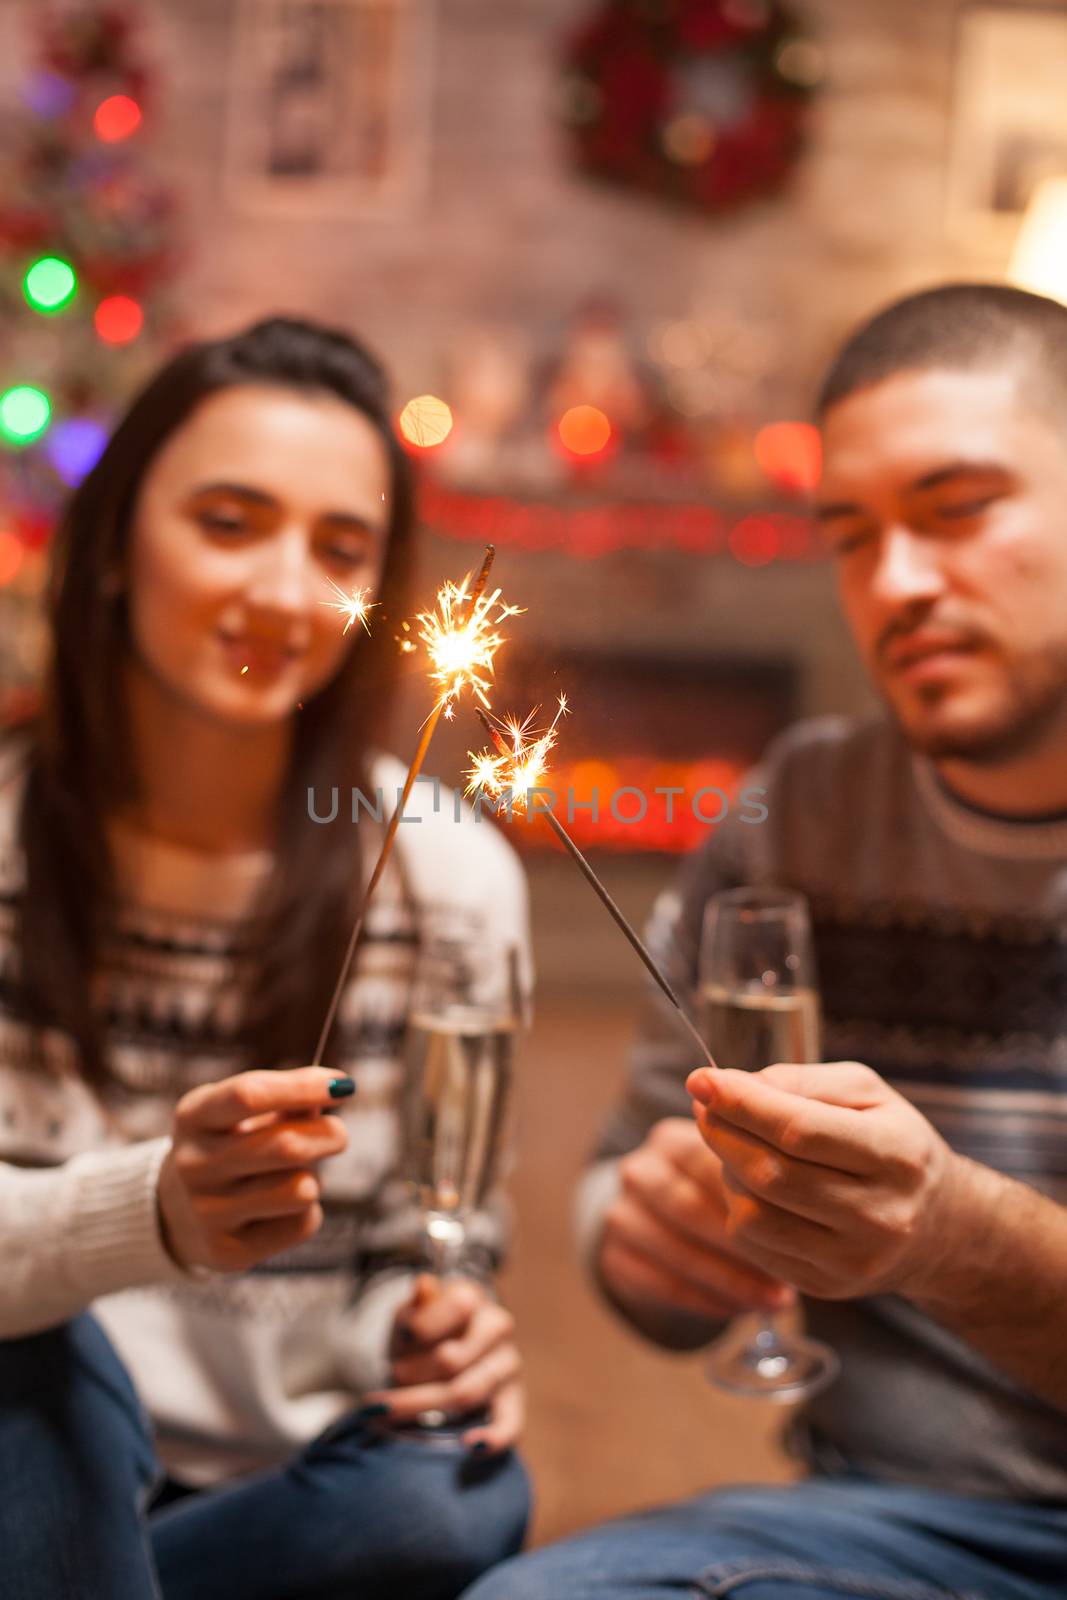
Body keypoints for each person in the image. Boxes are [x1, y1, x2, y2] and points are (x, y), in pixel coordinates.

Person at [464, 283, 1067, 1599]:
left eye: (956, 509)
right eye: (849, 537)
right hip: (881, 1523)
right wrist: (646, 1235)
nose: (894, 583)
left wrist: (947, 1232)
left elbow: (935, 1231)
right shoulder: (794, 807)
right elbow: (625, 1177)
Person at [0, 316, 530, 1600]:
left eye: (340, 549)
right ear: (119, 541)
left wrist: (442, 1321)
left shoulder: (448, 877)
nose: (288, 594)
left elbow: (440, 1230)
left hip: (294, 1469)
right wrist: (157, 1213)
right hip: (36, 1429)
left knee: (449, 1499)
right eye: (229, 522)